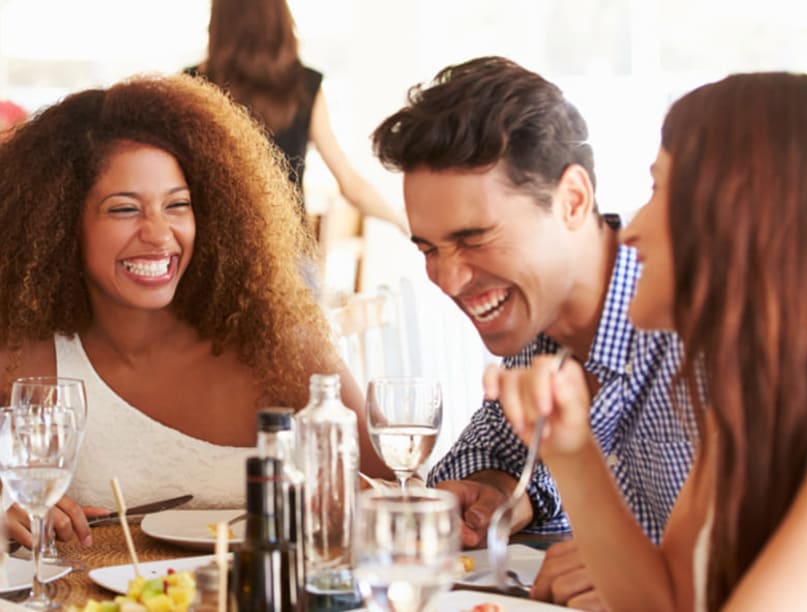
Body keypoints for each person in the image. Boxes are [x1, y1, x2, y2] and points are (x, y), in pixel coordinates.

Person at [0, 74, 393, 550]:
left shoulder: (279, 344)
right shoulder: (26, 355)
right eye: (124, 209)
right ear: (61, 222)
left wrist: (344, 501)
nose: (159, 234)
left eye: (178, 205)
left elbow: (396, 492)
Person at [488, 72, 807, 609]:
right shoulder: (743, 396)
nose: (635, 227)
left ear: (737, 215)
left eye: (659, 189)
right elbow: (663, 602)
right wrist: (571, 451)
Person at [372, 56, 693, 606]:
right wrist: (497, 490)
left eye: (473, 238)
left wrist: (650, 572)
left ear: (572, 201)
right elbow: (492, 450)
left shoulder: (696, 328)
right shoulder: (535, 326)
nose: (447, 279)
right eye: (429, 248)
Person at [187, 0, 408, 235]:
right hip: (288, 252)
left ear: (218, 23)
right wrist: (400, 220)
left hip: (213, 249)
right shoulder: (305, 86)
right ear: (280, 24)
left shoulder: (190, 85)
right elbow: (350, 185)